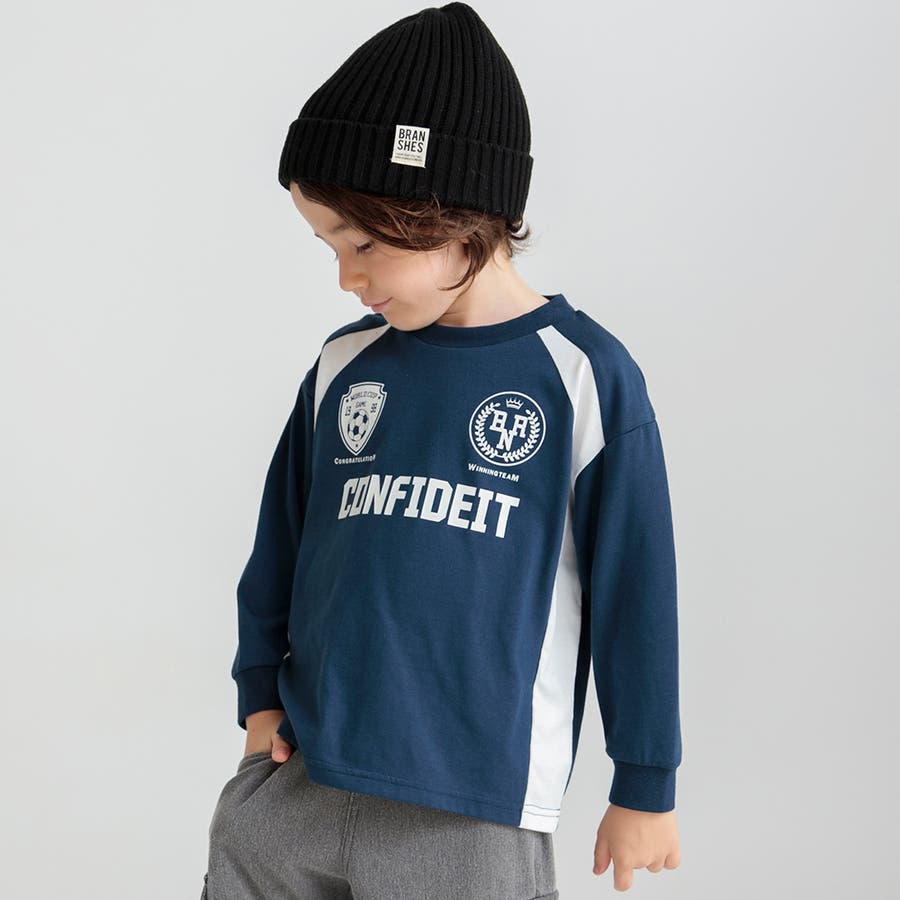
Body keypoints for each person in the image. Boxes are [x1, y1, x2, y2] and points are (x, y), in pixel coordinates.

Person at [200, 3, 682, 897]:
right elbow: (281, 543)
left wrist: (644, 781)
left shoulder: (581, 379)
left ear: (454, 214)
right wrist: (258, 693)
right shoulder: (345, 365)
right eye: (328, 245)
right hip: (298, 785)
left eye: (363, 243)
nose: (346, 276)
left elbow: (637, 591)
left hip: (467, 809)